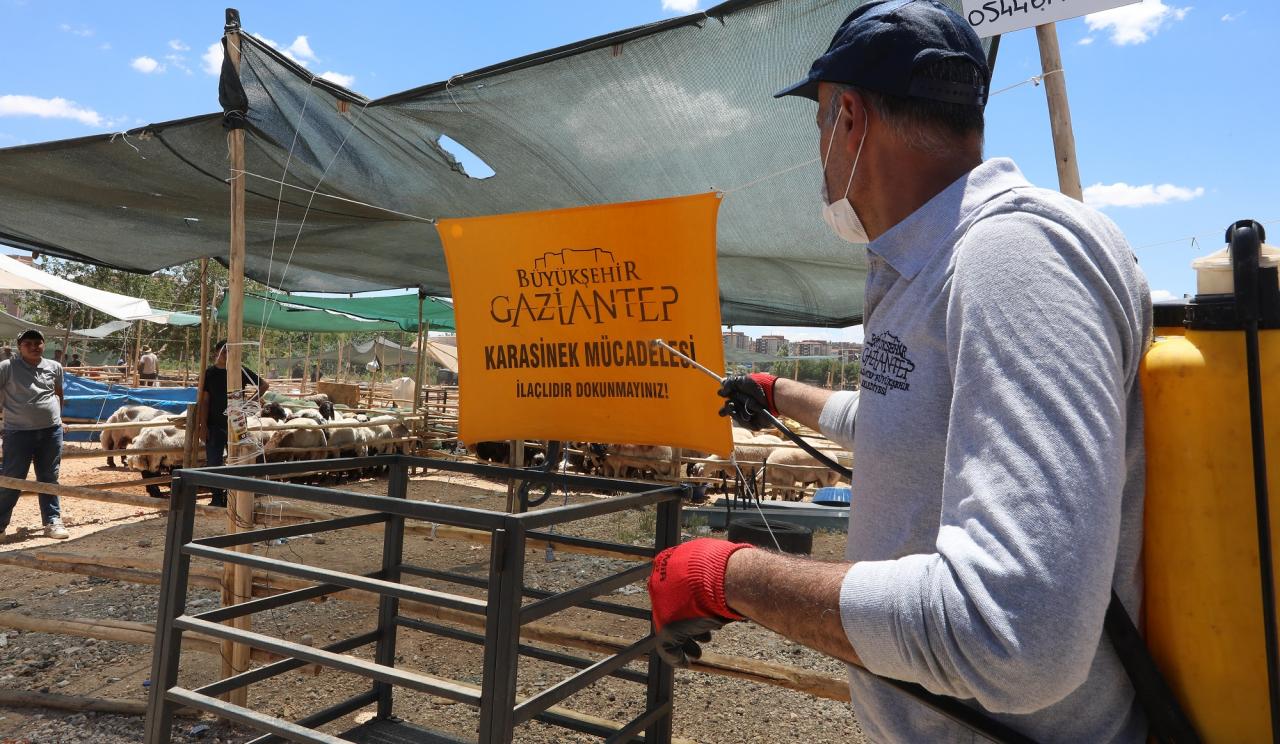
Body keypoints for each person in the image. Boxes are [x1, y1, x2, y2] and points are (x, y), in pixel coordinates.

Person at [647, 2, 1151, 742]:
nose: (819, 145)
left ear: (849, 117)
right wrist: (776, 391)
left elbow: (1018, 636)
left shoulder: (1012, 255)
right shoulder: (924, 265)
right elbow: (912, 423)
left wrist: (728, 577)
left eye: (818, 121)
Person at [0, 330, 69, 539]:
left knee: (49, 477)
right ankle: (0, 524)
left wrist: (60, 418)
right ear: (19, 346)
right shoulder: (6, 367)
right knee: (12, 477)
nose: (33, 346)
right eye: (28, 343)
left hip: (51, 431)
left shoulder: (54, 367)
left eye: (38, 342)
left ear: (43, 344)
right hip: (18, 432)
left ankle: (52, 521)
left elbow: (58, 393)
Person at [198, 340, 269, 508]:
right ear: (217, 353)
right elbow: (205, 400)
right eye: (224, 351)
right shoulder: (209, 373)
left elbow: (264, 385)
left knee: (237, 460)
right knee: (214, 462)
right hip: (214, 424)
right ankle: (217, 497)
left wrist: (248, 402)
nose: (226, 355)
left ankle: (235, 497)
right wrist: (203, 425)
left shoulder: (240, 370)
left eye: (230, 352)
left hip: (237, 424)